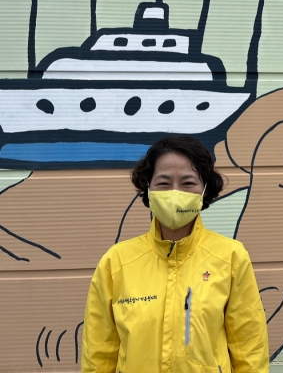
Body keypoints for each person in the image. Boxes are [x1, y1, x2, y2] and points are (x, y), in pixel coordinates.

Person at [81, 136, 269, 373]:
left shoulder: (230, 257)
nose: (175, 192)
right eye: (163, 183)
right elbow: (99, 351)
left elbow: (249, 345)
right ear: (147, 187)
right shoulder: (117, 262)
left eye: (188, 183)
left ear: (205, 189)